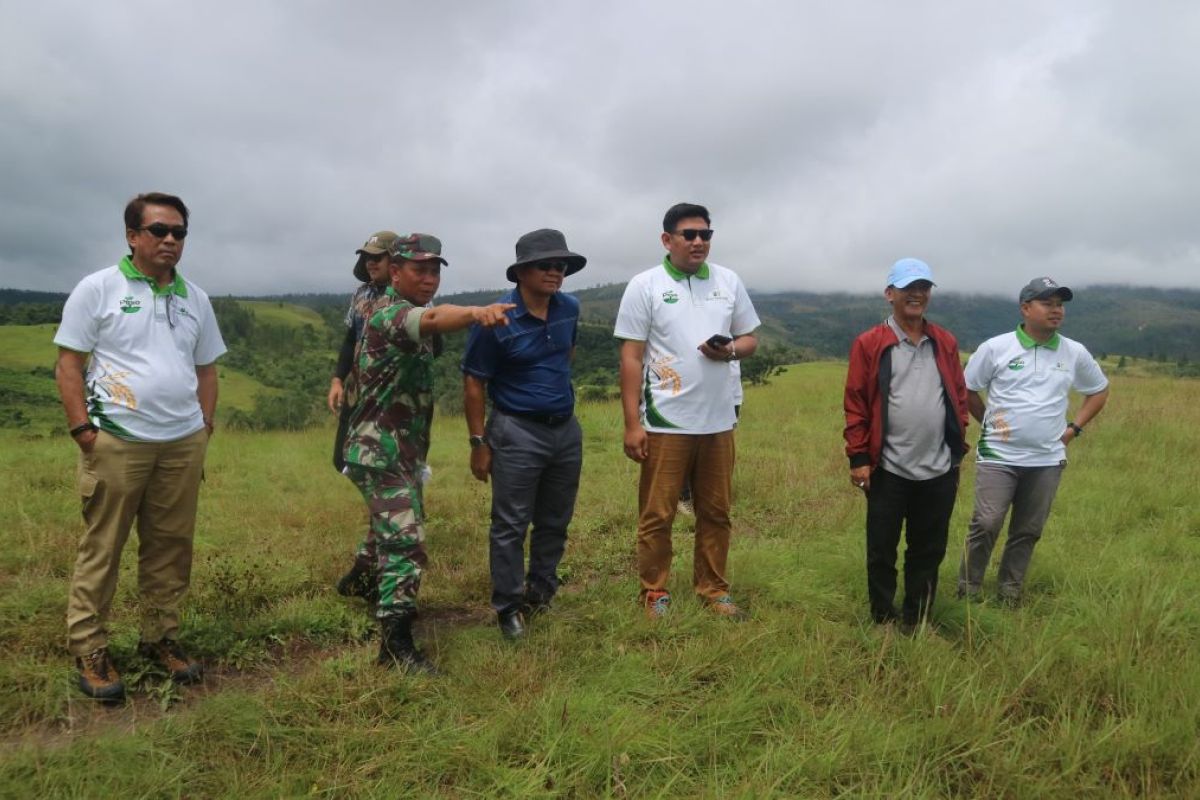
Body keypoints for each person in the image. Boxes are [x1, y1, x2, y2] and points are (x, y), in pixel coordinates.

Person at [53, 192, 227, 700]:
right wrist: (84, 431)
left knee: (170, 548)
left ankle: (160, 638)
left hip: (181, 443)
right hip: (118, 441)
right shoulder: (98, 289)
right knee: (103, 547)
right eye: (159, 230)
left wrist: (205, 424)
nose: (170, 240)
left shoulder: (194, 297)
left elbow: (207, 368)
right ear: (132, 236)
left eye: (179, 233)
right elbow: (69, 364)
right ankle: (89, 647)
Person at [341, 233, 514, 673]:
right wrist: (477, 312)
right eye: (419, 269)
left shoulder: (404, 312)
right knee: (406, 538)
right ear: (394, 272)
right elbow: (435, 318)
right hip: (377, 450)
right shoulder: (390, 313)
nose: (429, 277)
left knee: (396, 519)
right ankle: (395, 647)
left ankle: (361, 579)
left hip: (402, 450)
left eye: (435, 270)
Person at [614, 202, 760, 618]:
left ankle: (713, 589)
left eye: (705, 235)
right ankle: (654, 591)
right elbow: (631, 356)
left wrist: (729, 349)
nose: (699, 242)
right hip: (665, 421)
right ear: (667, 240)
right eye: (689, 235)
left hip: (719, 421)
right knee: (658, 513)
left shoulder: (728, 281)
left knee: (716, 511)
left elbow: (750, 339)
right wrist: (631, 423)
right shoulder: (646, 285)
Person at [461, 229, 586, 640]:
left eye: (561, 266)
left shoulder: (569, 308)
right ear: (522, 272)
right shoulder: (495, 319)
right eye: (545, 265)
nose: (555, 272)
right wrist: (480, 443)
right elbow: (474, 382)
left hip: (565, 429)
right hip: (515, 430)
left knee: (555, 518)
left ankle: (541, 592)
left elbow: (565, 355)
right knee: (511, 523)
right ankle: (508, 606)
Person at [957, 277, 1109, 604]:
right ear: (1026, 308)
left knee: (1027, 530)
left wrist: (1074, 429)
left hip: (1046, 460)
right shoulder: (996, 348)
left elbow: (1098, 390)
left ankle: (1009, 593)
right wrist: (989, 421)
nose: (1056, 311)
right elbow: (967, 388)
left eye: (1060, 305)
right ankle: (967, 590)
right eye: (1047, 303)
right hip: (998, 455)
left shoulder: (1073, 352)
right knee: (986, 522)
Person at [843, 258, 969, 630]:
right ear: (890, 294)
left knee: (929, 549)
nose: (917, 294)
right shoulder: (870, 343)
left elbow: (959, 396)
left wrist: (957, 440)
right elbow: (856, 404)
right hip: (888, 467)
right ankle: (883, 618)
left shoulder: (943, 341)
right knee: (882, 549)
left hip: (939, 466)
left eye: (924, 287)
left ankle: (918, 618)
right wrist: (859, 457)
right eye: (908, 287)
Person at [328, 230, 400, 603]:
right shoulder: (361, 296)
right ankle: (373, 549)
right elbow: (347, 339)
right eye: (367, 257)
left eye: (379, 256)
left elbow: (432, 348)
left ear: (395, 260)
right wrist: (338, 379)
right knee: (344, 460)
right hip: (359, 397)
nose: (371, 262)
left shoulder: (405, 299)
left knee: (384, 480)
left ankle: (369, 566)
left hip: (389, 404)